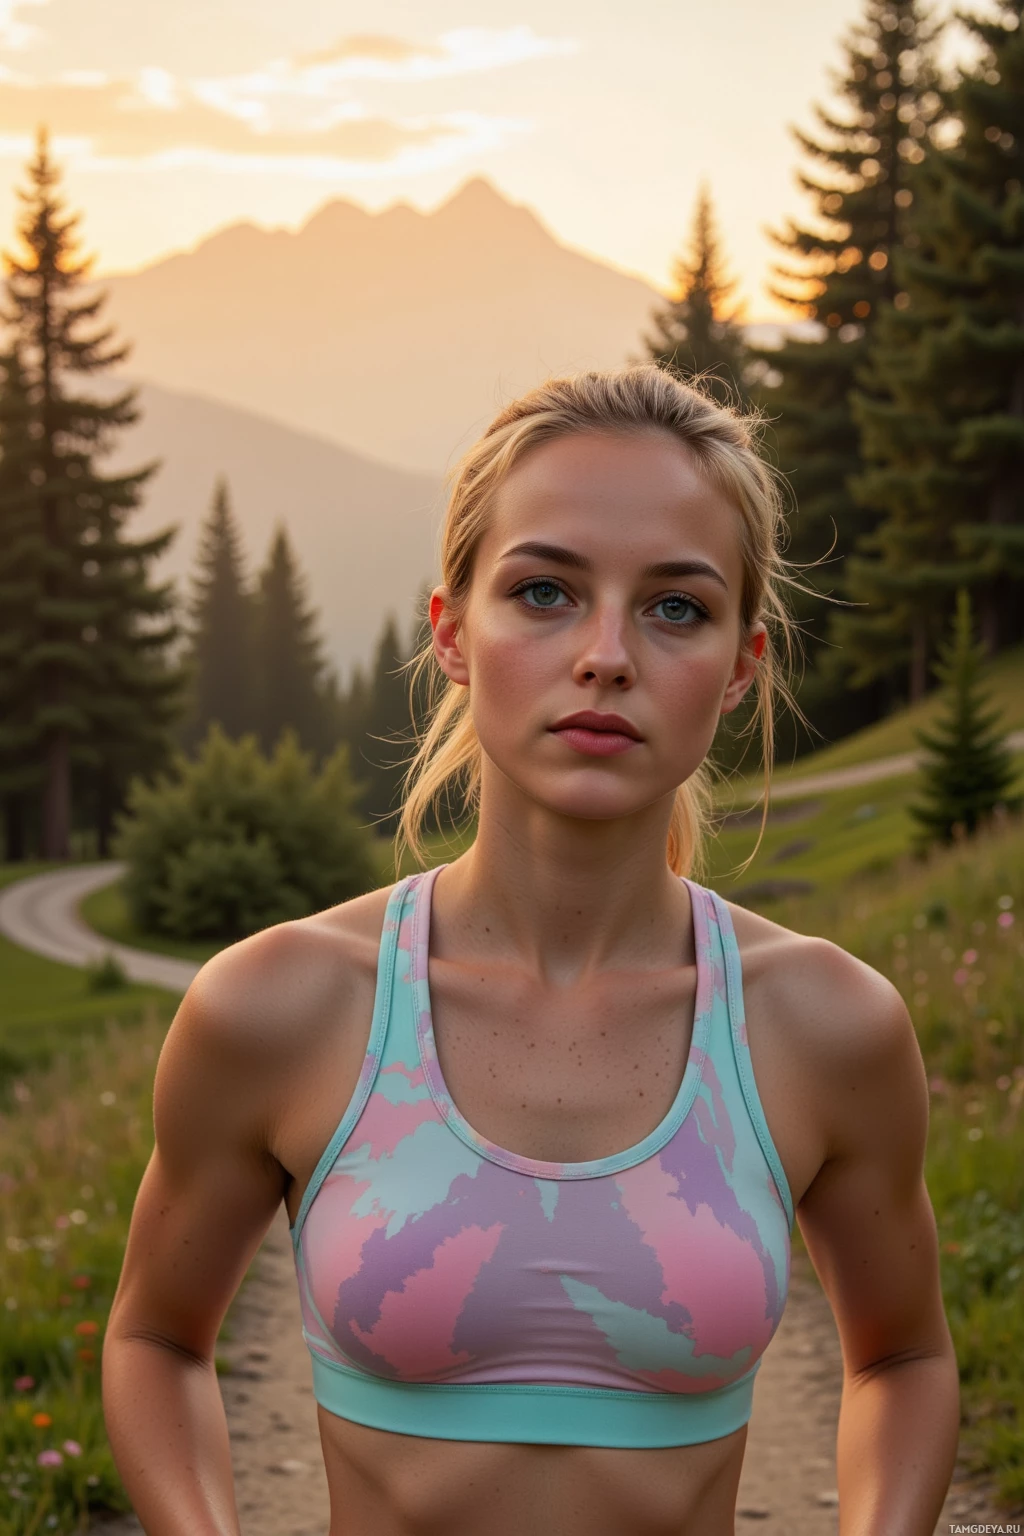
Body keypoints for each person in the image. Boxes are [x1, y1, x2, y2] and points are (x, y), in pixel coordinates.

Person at [102, 365, 960, 1536]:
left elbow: (901, 1359)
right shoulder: (277, 1004)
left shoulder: (825, 1024)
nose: (607, 655)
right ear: (453, 633)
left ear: (742, 665)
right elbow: (154, 1338)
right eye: (546, 592)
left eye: (675, 608)